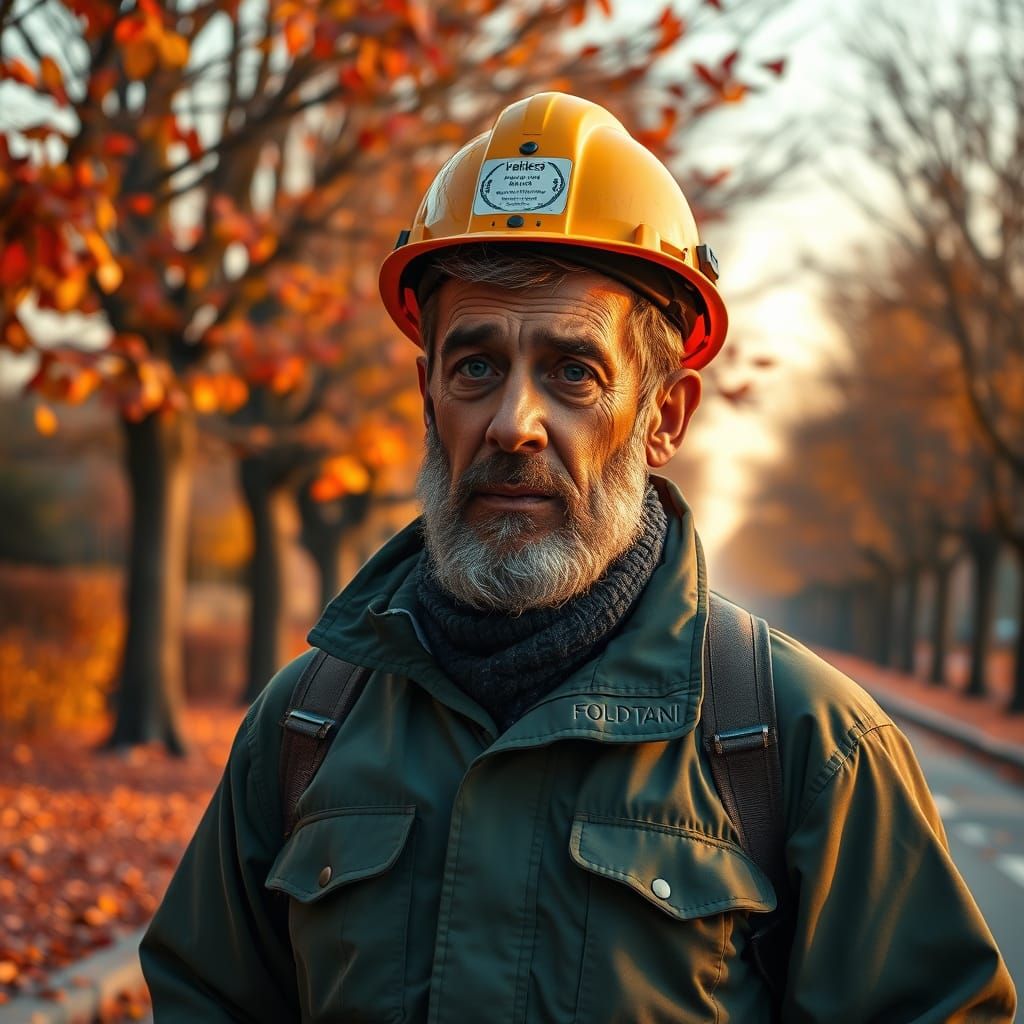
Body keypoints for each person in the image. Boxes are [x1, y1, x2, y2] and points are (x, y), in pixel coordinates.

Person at [140, 92, 1016, 1022]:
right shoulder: (302, 728)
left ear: (663, 418)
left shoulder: (807, 746)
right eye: (475, 366)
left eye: (574, 372)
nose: (514, 425)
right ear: (429, 392)